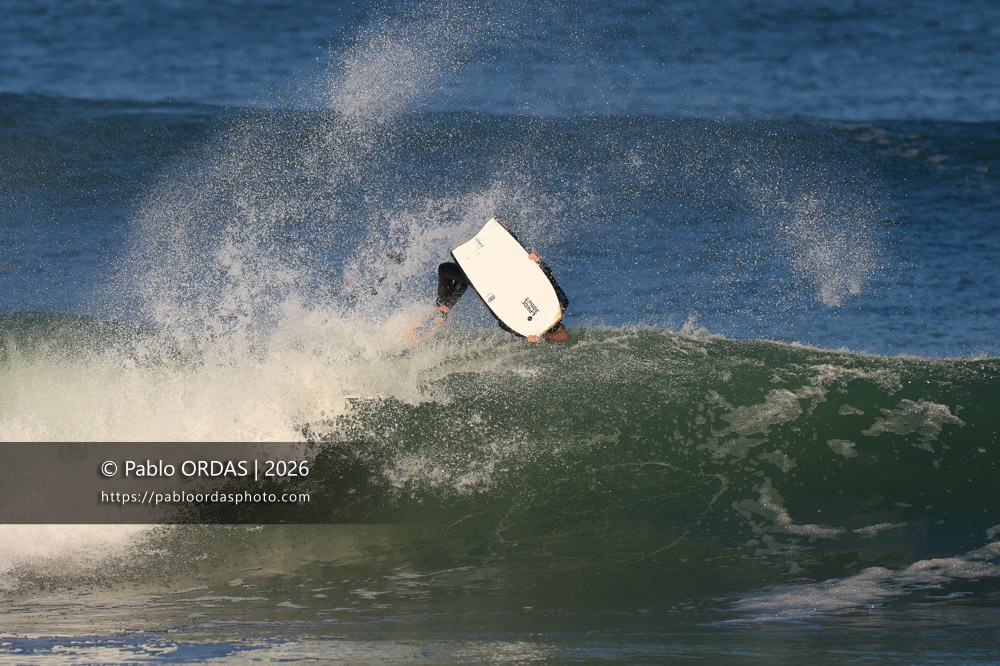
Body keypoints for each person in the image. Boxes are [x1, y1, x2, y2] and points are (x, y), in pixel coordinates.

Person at [435, 251, 569, 343]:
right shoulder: (558, 302)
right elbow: (549, 279)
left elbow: (564, 336)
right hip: (502, 275)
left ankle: (442, 307)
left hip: (491, 288)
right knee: (457, 271)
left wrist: (540, 338)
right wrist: (539, 262)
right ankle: (445, 308)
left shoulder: (526, 326)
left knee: (445, 269)